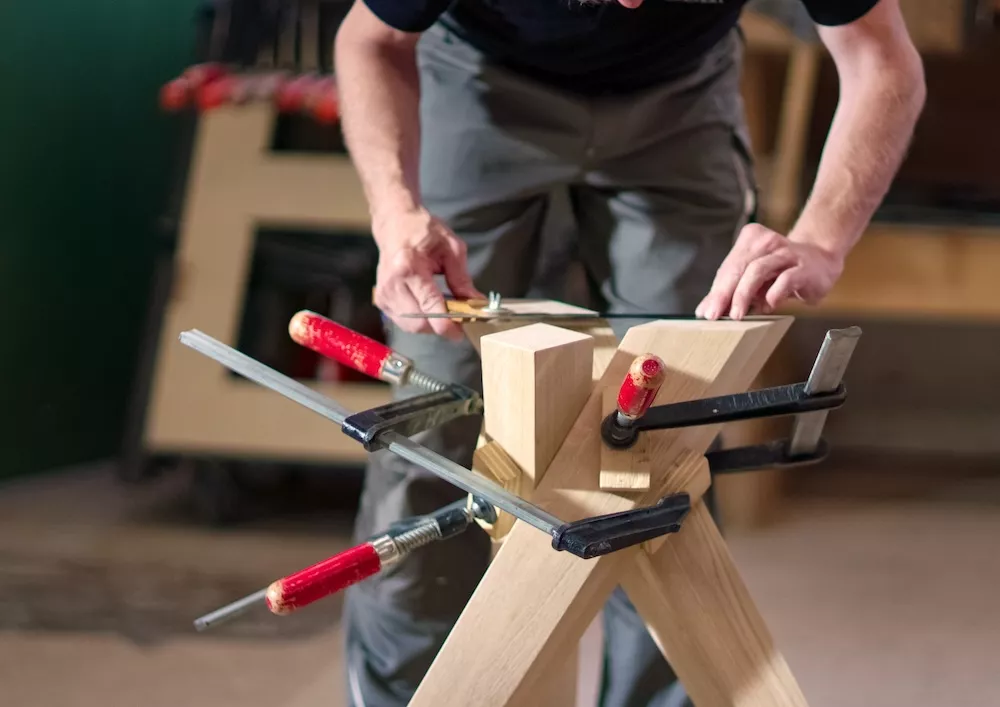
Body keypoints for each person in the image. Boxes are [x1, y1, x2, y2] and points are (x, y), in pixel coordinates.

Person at [332, 1, 925, 705]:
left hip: (678, 95)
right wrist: (396, 214)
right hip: (480, 82)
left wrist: (823, 239)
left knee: (666, 441)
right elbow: (370, 40)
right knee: (434, 431)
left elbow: (882, 57)